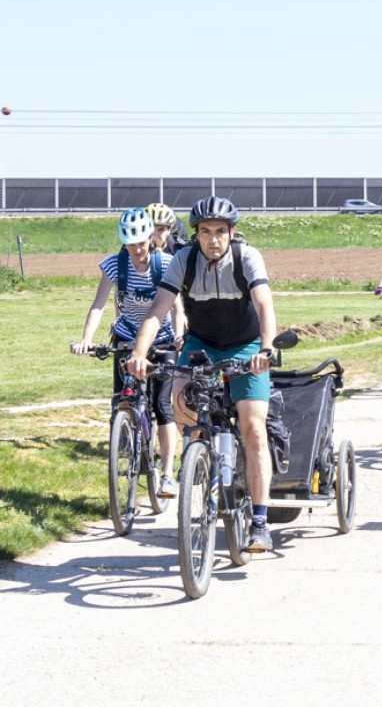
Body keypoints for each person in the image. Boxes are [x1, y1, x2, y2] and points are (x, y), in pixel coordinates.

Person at [127, 197, 280, 552]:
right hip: (202, 343)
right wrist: (138, 353)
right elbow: (158, 310)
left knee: (253, 429)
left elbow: (264, 304)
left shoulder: (247, 257)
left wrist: (266, 349)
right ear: (195, 234)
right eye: (206, 231)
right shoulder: (184, 260)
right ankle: (198, 455)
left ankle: (259, 521)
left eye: (220, 231)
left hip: (246, 345)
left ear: (232, 232)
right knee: (181, 397)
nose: (213, 239)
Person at [71, 208, 184, 498]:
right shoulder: (114, 265)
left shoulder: (166, 263)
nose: (138, 249)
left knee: (162, 405)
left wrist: (179, 334)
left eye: (142, 242)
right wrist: (86, 339)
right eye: (131, 244)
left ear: (151, 238)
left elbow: (176, 306)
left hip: (162, 339)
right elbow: (98, 304)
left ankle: (167, 475)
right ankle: (128, 440)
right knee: (123, 398)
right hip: (126, 336)